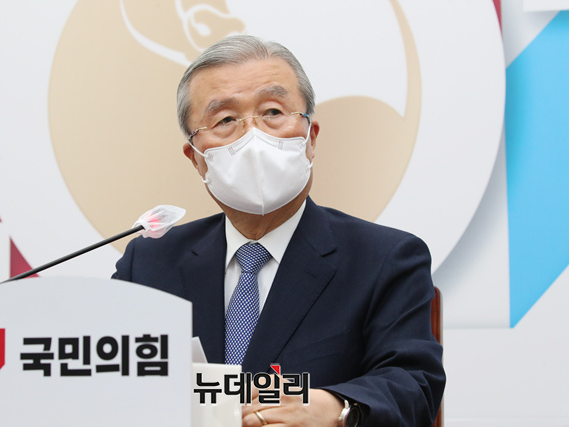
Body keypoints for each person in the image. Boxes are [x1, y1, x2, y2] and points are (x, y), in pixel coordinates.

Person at [113, 35, 445, 427]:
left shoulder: (385, 258)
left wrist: (335, 408)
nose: (253, 136)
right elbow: (111, 386)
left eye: (273, 111)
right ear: (197, 159)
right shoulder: (149, 264)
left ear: (310, 139)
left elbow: (414, 386)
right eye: (225, 120)